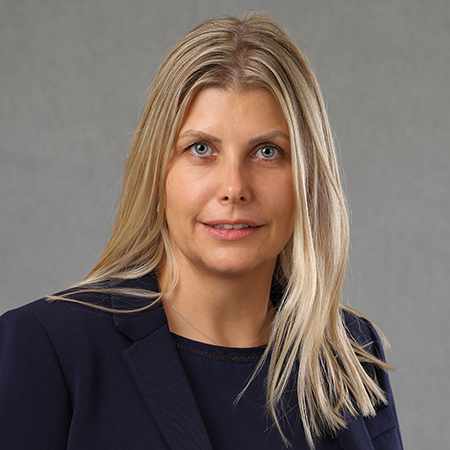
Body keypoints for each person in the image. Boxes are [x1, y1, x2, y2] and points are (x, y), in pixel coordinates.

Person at [0, 12, 403, 450]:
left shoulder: (350, 353)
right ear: (157, 172)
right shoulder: (43, 347)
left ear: (309, 178)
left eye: (267, 152)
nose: (234, 188)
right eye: (201, 148)